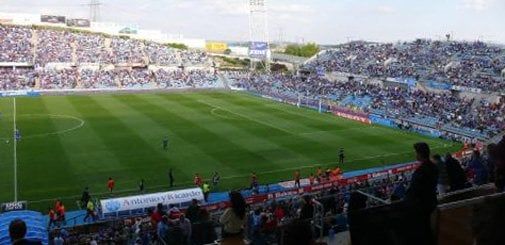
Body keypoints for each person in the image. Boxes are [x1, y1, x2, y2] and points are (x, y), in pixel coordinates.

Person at [401, 142, 438, 245]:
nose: (415, 155)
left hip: (420, 207)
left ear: (420, 154)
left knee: (422, 232)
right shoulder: (433, 167)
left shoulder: (421, 171)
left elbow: (414, 191)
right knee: (427, 229)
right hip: (430, 202)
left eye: (416, 152)